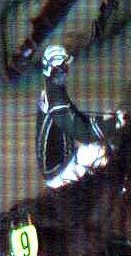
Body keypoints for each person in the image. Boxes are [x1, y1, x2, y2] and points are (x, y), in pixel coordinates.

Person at [36, 44, 111, 188]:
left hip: (59, 163)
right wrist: (113, 124)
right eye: (63, 68)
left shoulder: (52, 90)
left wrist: (103, 120)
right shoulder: (56, 101)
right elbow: (84, 135)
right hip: (59, 171)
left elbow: (77, 117)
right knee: (103, 151)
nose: (66, 71)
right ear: (54, 70)